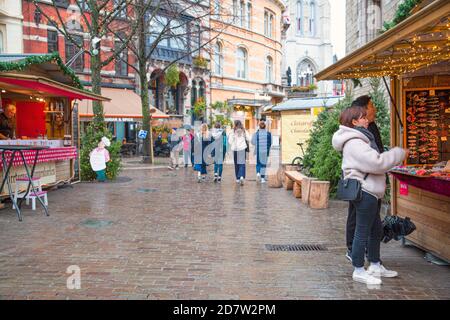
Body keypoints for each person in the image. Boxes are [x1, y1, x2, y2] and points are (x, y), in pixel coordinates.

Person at [332, 105, 407, 285]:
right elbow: (377, 163)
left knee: (375, 230)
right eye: (363, 117)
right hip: (365, 191)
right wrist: (398, 153)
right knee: (362, 231)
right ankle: (358, 269)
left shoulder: (360, 139)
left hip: (371, 191)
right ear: (354, 122)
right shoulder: (355, 142)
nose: (367, 120)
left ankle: (374, 264)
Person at [346, 95, 385, 262]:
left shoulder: (370, 128)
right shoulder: (356, 136)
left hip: (373, 185)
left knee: (374, 226)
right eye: (371, 106)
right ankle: (357, 262)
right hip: (364, 185)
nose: (374, 109)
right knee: (360, 224)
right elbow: (372, 159)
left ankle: (374, 261)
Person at [228, 120, 250, 185]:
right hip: (242, 149)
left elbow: (229, 141)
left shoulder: (233, 131)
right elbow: (249, 138)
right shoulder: (244, 130)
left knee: (236, 164)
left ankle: (237, 178)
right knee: (242, 163)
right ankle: (241, 176)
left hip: (235, 149)